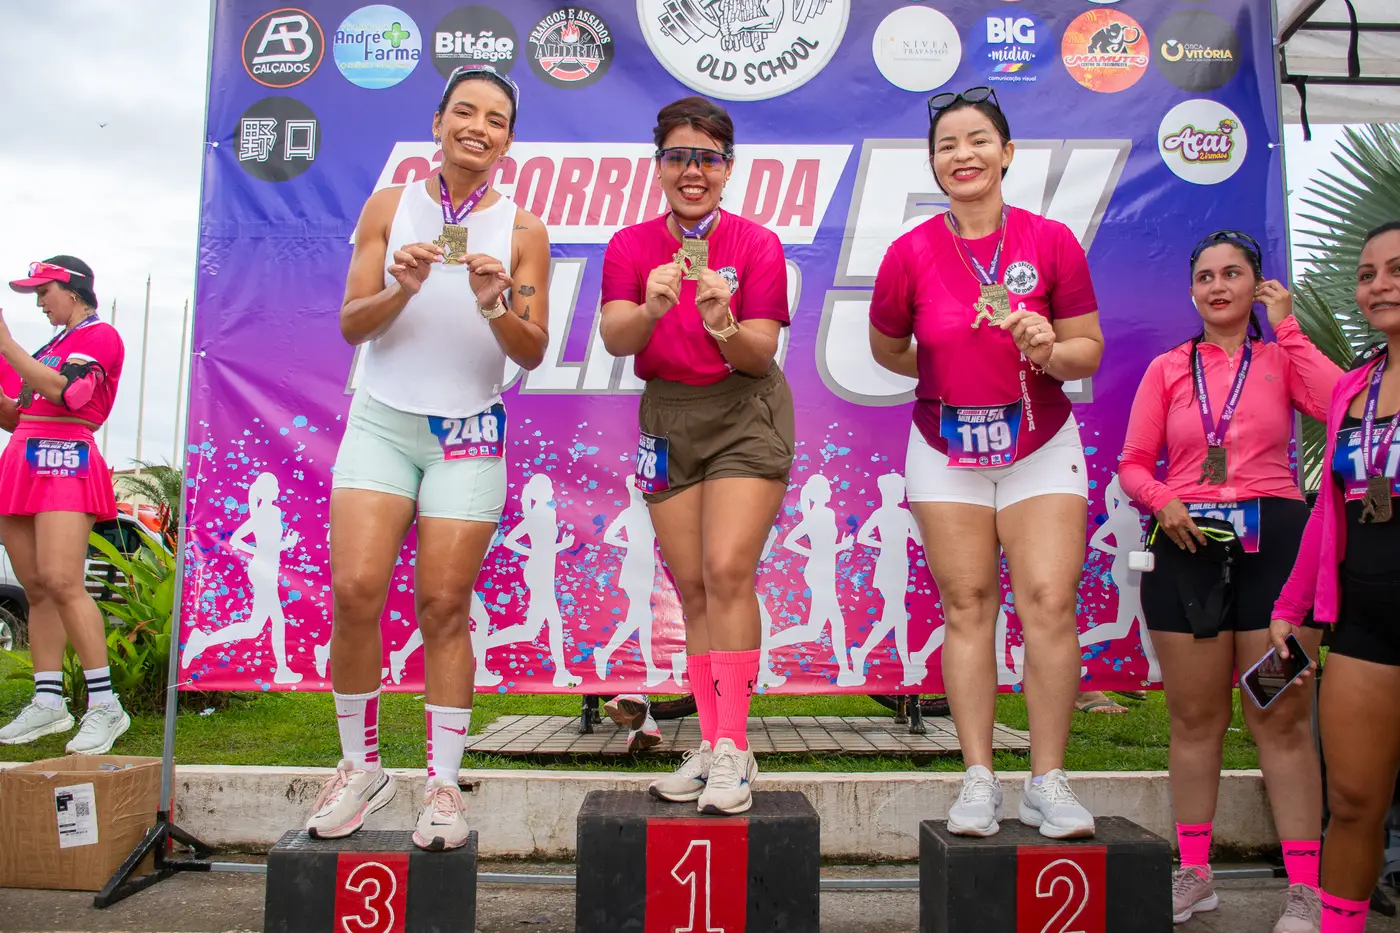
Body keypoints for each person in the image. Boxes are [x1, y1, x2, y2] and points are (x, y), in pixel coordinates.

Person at [300, 64, 551, 851]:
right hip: (383, 420)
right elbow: (353, 323)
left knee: (443, 603)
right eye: (465, 112)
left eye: (497, 119)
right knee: (355, 591)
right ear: (438, 122)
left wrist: (494, 303)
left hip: (469, 429)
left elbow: (531, 349)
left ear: (509, 142)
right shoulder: (389, 205)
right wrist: (402, 286)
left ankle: (443, 783)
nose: (479, 127)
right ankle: (360, 765)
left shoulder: (523, 229)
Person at [868, 86, 1104, 839]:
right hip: (946, 447)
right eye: (947, 145)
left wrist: (1049, 348)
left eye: (977, 141)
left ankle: (1047, 780)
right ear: (934, 163)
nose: (962, 155)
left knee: (1049, 602)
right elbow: (886, 347)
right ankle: (978, 777)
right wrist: (939, 368)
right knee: (967, 604)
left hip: (1041, 445)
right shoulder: (909, 252)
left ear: (1007, 153)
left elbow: (1087, 350)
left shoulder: (1051, 241)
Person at [1121, 230, 1339, 930]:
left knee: (1279, 715)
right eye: (1206, 276)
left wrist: (1290, 326)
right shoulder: (1167, 369)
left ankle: (1304, 887)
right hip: (1189, 545)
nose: (1218, 286)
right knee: (1194, 718)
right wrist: (1163, 499)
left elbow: (1339, 404)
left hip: (1278, 553)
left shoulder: (1280, 358)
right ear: (1192, 290)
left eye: (1233, 274)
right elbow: (1133, 463)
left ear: (1257, 284)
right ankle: (1195, 874)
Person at [600, 96, 793, 816]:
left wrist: (722, 323)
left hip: (744, 412)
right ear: (658, 166)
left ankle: (735, 746)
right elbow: (617, 338)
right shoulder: (629, 246)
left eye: (707, 159)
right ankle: (712, 744)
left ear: (728, 168)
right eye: (678, 156)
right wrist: (652, 310)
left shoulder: (757, 244)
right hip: (668, 417)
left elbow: (759, 353)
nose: (692, 171)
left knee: (726, 570)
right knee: (692, 587)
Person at [1272, 221, 1400, 933]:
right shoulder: (1355, 386)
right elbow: (1329, 513)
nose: (1379, 285)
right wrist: (1293, 606)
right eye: (1367, 274)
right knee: (1352, 802)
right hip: (1365, 620)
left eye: (1396, 270)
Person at [0, 257, 129, 755]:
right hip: (23, 457)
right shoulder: (48, 347)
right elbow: (16, 415)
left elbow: (68, 394)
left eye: (44, 291)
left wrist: (7, 346)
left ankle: (106, 705)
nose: (39, 302)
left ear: (73, 290)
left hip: (66, 455)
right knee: (35, 587)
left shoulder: (99, 336)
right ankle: (48, 701)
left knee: (61, 580)